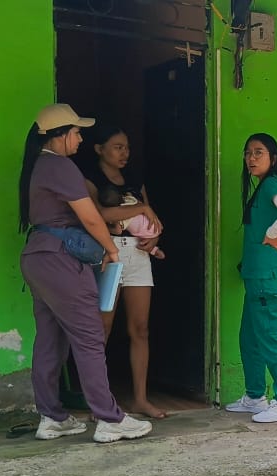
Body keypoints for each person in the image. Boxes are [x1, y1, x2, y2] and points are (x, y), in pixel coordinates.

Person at [18, 103, 153, 442]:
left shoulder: (38, 165)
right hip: (61, 260)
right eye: (76, 132)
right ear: (59, 135)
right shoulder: (60, 166)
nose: (80, 139)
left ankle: (52, 417)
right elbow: (90, 216)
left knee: (50, 338)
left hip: (38, 256)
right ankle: (109, 418)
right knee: (90, 336)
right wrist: (111, 249)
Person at [83, 125, 167, 419]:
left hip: (139, 254)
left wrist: (154, 237)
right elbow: (100, 215)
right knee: (102, 328)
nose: (124, 153)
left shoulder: (134, 180)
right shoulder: (90, 179)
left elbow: (150, 217)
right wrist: (140, 209)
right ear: (99, 149)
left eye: (126, 147)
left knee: (140, 328)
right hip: (109, 252)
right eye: (118, 147)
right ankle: (97, 401)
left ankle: (140, 399)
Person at [223, 133, 277, 423]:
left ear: (273, 158)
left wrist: (271, 233)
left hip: (267, 278)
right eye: (248, 153)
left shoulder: (271, 184)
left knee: (270, 336)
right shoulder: (262, 187)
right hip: (256, 277)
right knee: (250, 338)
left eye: (259, 152)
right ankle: (255, 397)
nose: (251, 158)